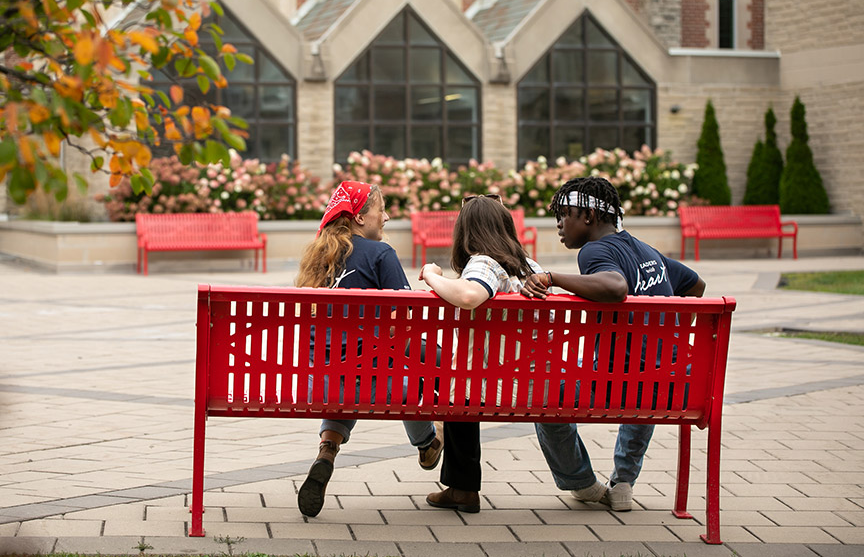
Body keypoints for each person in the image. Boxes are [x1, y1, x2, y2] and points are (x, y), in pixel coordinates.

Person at [522, 176, 706, 512]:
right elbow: (696, 286)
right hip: (676, 385)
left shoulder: (595, 250)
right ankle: (623, 482)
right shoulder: (646, 251)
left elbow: (615, 287)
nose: (559, 225)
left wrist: (552, 278)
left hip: (617, 388)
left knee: (545, 396)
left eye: (564, 215)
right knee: (650, 373)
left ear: (589, 218)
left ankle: (581, 482)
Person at [296, 180, 444, 518]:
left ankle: (327, 451)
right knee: (417, 369)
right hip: (379, 385)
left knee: (349, 372)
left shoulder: (318, 257)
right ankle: (427, 444)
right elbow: (408, 321)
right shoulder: (381, 254)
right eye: (381, 210)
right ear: (360, 218)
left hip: (318, 386)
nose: (388, 217)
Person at [420, 193, 545, 514]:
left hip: (499, 389)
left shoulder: (485, 262)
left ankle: (460, 485)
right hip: (535, 383)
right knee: (462, 374)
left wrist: (432, 275)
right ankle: (453, 471)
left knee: (458, 383)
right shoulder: (530, 266)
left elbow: (469, 294)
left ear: (466, 233)